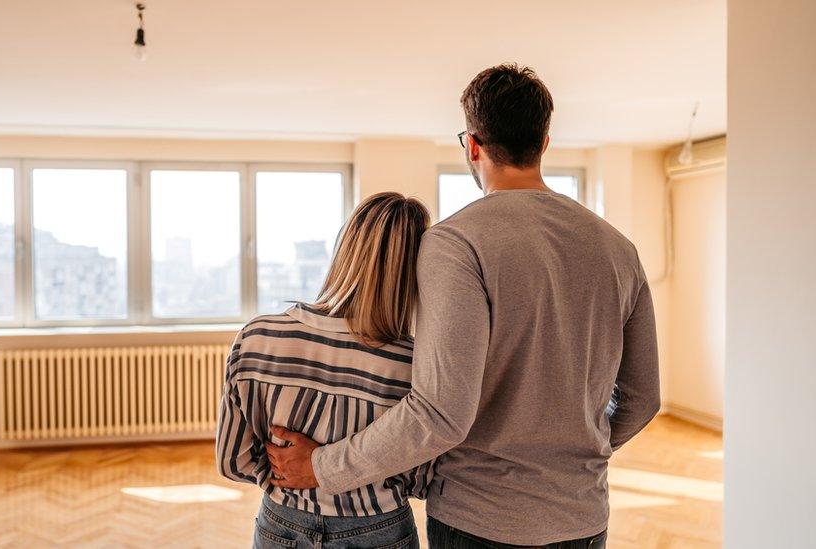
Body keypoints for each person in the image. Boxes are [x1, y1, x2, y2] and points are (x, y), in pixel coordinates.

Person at [266, 64, 661, 549]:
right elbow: (644, 398)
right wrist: (580, 452)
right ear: (543, 143)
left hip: (479, 520)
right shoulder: (618, 249)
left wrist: (322, 467)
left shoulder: (456, 243)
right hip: (584, 517)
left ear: (472, 144)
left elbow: (440, 413)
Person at [216, 192, 433, 548]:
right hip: (378, 530)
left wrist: (294, 473)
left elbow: (233, 461)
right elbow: (422, 479)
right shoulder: (418, 363)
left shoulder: (258, 337)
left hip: (281, 522)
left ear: (344, 248)